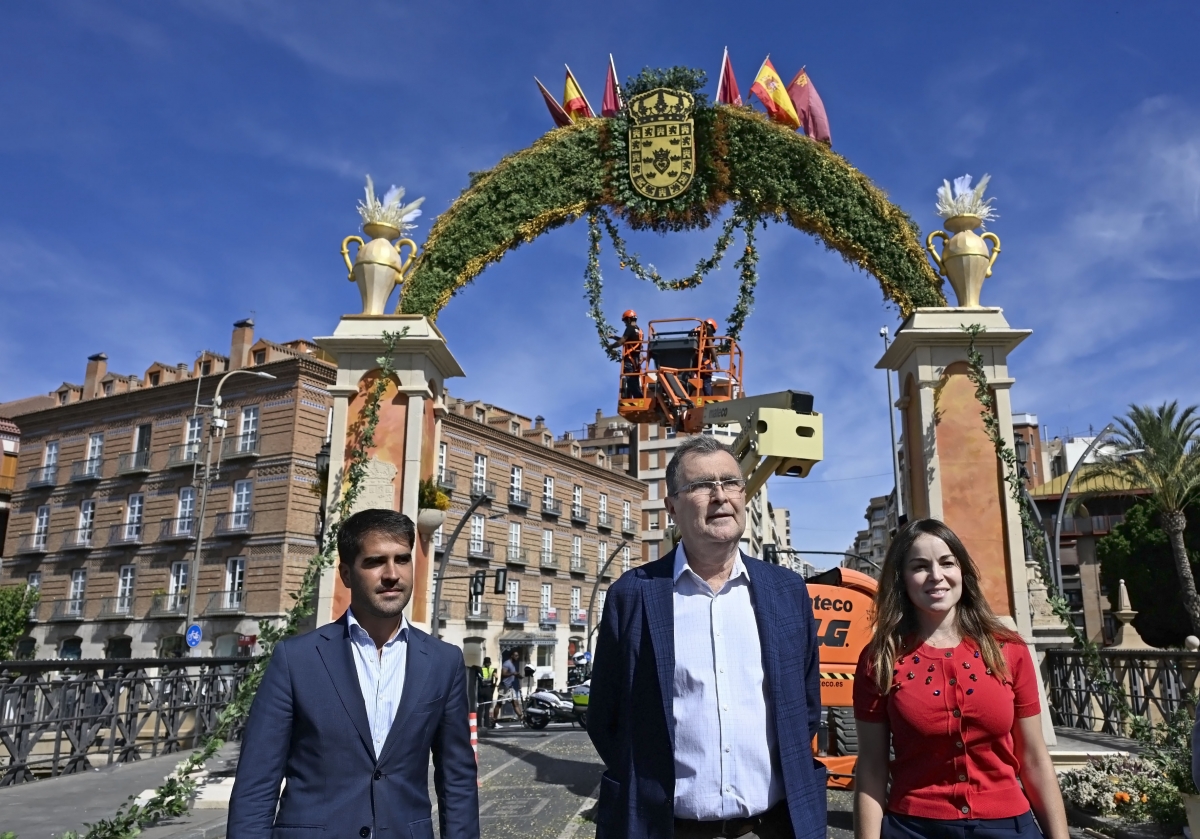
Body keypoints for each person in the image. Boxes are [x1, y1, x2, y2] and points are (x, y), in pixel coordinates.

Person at [589, 434, 827, 839]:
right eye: (701, 486)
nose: (721, 496)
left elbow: (803, 708)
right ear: (671, 508)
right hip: (666, 828)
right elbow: (606, 717)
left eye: (730, 482)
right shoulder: (633, 594)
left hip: (771, 828)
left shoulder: (787, 591)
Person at [227, 509, 479, 839]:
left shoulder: (443, 662)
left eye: (402, 560)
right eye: (375, 562)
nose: (392, 574)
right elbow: (256, 783)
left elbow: (457, 779)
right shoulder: (296, 659)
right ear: (346, 574)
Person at [852, 518, 1068, 839]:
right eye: (920, 566)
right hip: (913, 828)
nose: (936, 576)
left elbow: (1034, 758)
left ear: (962, 572)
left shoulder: (1009, 650)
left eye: (947, 563)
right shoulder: (879, 659)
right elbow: (871, 768)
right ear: (902, 579)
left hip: (1008, 826)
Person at [608, 310, 644, 399]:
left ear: (628, 319)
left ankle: (638, 397)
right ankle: (639, 396)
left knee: (630, 379)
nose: (625, 323)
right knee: (634, 378)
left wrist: (611, 347)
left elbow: (622, 341)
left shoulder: (629, 328)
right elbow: (629, 340)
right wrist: (614, 337)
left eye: (625, 321)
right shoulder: (639, 330)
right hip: (636, 359)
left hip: (630, 358)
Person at [493, 649, 524, 724]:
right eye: (516, 655)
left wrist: (518, 675)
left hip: (510, 687)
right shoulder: (507, 663)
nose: (517, 657)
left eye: (518, 656)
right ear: (512, 656)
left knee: (515, 703)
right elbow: (503, 674)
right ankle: (494, 720)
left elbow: (513, 673)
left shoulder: (512, 664)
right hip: (504, 687)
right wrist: (513, 673)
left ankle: (522, 718)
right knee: (499, 704)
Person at [479, 656, 498, 728]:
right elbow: (496, 677)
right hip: (489, 689)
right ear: (490, 663)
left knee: (480, 708)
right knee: (487, 708)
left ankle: (479, 724)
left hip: (481, 689)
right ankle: (486, 725)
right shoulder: (492, 670)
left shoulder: (480, 669)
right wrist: (495, 684)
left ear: (484, 663)